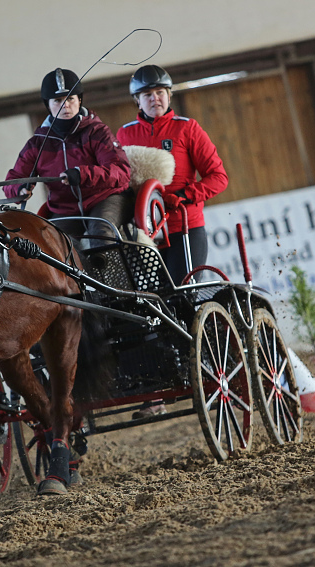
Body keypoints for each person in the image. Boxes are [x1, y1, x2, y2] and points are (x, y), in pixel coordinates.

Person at [117, 65, 228, 418]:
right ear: (137, 100)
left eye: (160, 92)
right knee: (145, 305)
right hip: (144, 235)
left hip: (183, 229)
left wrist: (186, 195)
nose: (155, 98)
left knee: (184, 296)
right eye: (148, 94)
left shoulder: (186, 129)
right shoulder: (125, 134)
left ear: (169, 95)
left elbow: (218, 176)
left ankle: (204, 363)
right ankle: (155, 389)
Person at [4, 67, 132, 247]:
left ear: (79, 100)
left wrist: (83, 174)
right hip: (65, 209)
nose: (65, 105)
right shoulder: (37, 144)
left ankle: (113, 275)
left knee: (102, 233)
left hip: (104, 198)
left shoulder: (97, 132)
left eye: (70, 98)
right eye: (57, 100)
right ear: (47, 105)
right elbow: (13, 180)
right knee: (54, 245)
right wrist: (19, 190)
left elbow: (121, 171)